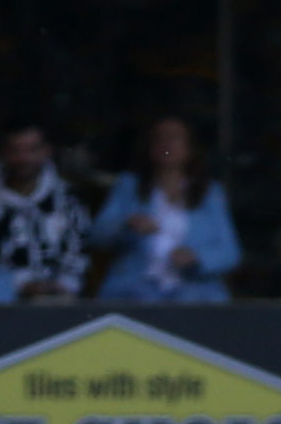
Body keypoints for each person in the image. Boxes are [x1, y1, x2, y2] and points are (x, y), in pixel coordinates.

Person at [92, 117, 238, 302]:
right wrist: (126, 224)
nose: (166, 144)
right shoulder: (128, 186)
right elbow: (97, 235)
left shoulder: (210, 192)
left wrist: (197, 257)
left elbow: (229, 252)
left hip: (194, 291)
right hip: (136, 290)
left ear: (191, 147)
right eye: (159, 138)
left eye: (174, 137)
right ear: (149, 146)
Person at [0, 121, 93, 300]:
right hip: (2, 302)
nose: (24, 158)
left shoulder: (69, 198)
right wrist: (20, 285)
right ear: (3, 152)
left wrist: (61, 286)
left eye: (32, 149)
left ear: (47, 151)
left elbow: (80, 251)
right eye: (15, 150)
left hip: (63, 302)